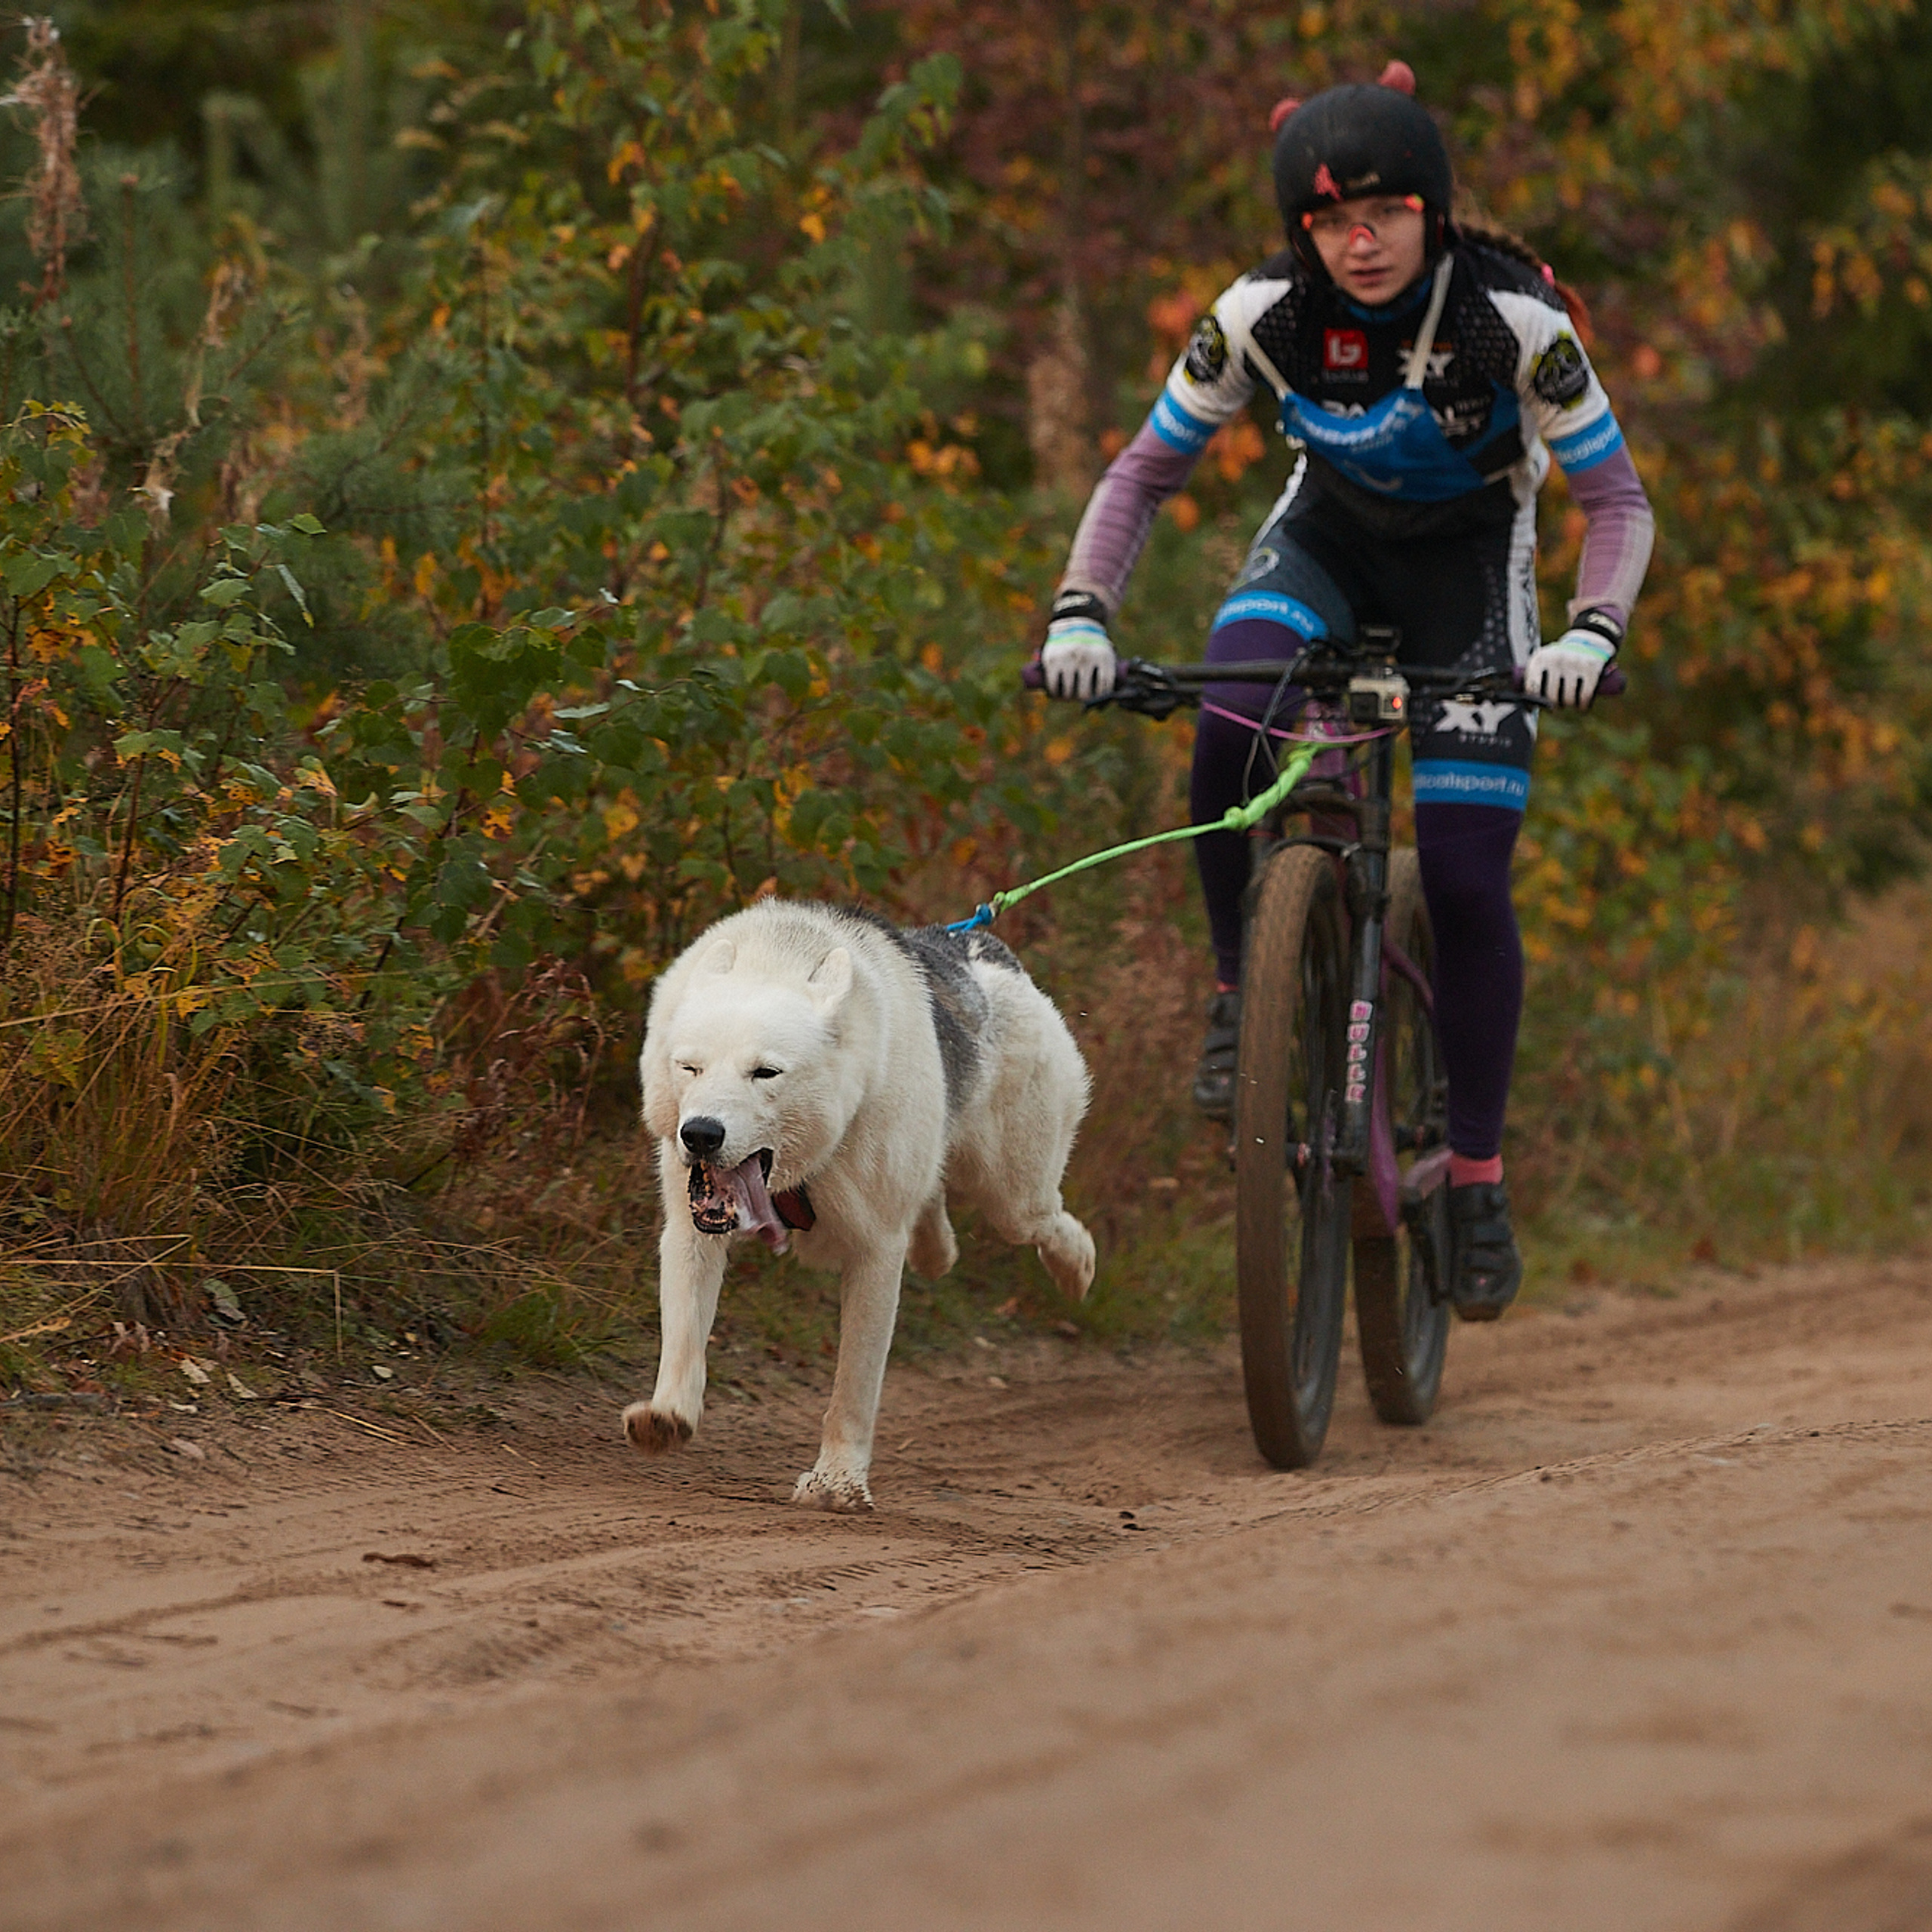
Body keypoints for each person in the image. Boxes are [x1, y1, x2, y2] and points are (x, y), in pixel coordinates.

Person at [1037, 63, 1654, 1318]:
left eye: (1382, 210)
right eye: (1327, 220)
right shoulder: (1262, 312)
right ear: (1299, 233)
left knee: (1472, 878)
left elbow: (1615, 504)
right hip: (1324, 542)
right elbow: (1140, 476)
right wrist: (1079, 609)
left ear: (1433, 207)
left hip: (1474, 571)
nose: (1357, 241)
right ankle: (1237, 992)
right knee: (1227, 718)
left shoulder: (1515, 320)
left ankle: (1474, 1171)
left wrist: (1590, 635)